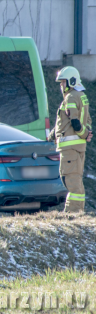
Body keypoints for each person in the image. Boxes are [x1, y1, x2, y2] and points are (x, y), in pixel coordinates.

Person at [48, 66, 92, 212]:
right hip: (78, 147)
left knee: (70, 180)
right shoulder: (81, 96)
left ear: (71, 81)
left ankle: (71, 215)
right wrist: (53, 134)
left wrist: (84, 134)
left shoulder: (71, 97)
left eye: (62, 82)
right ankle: (78, 212)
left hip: (70, 149)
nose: (61, 86)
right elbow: (85, 121)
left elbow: (75, 122)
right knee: (77, 180)